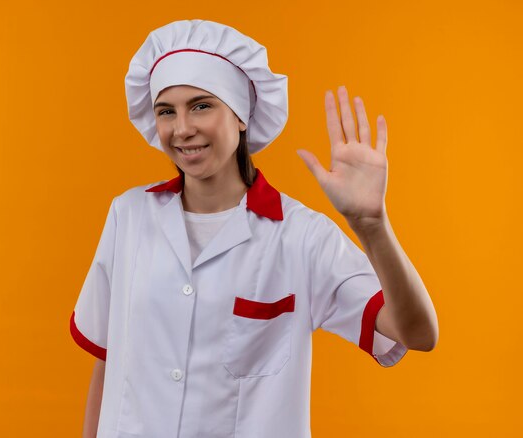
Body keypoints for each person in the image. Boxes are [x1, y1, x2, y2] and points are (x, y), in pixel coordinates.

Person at [69, 19, 438, 438]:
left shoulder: (301, 237)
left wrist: (372, 227)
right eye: (166, 111)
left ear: (241, 116)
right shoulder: (129, 216)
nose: (182, 128)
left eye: (202, 105)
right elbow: (107, 364)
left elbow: (418, 333)